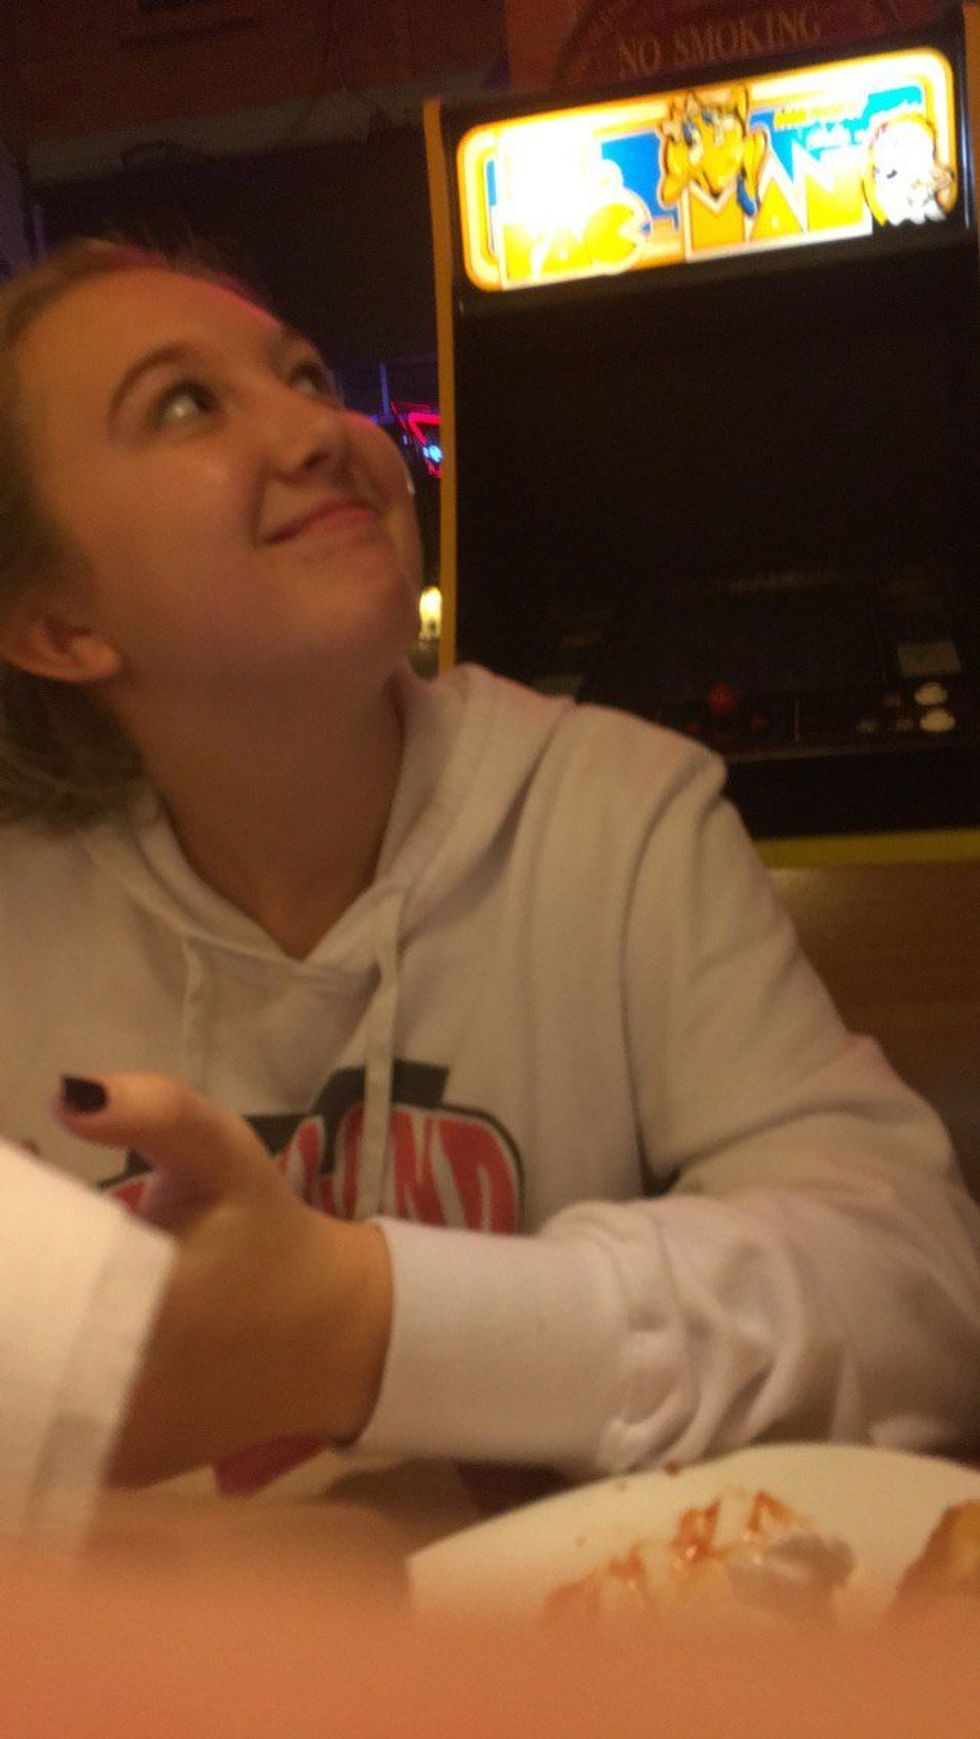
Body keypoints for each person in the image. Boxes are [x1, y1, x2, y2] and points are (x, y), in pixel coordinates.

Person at [0, 237, 979, 1510]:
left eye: (305, 377)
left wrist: (362, 1323)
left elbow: (913, 1295)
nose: (322, 429)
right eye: (185, 403)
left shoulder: (613, 808)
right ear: (59, 625)